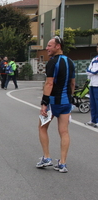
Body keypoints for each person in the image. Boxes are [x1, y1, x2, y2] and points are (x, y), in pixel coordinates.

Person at [36, 36, 75, 173]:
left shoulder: (53, 62)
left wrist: (44, 103)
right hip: (66, 102)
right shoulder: (70, 62)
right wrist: (70, 98)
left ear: (58, 46)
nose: (47, 48)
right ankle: (62, 163)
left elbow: (49, 83)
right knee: (64, 132)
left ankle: (47, 158)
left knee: (42, 127)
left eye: (49, 46)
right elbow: (72, 84)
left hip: (53, 101)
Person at [85, 43, 98, 128]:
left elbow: (95, 71)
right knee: (92, 103)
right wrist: (92, 71)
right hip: (92, 84)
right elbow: (88, 71)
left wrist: (92, 71)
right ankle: (93, 120)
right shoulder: (94, 59)